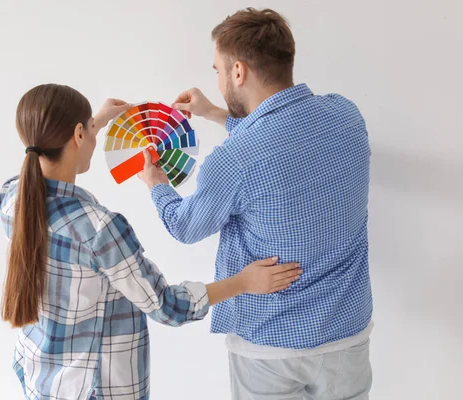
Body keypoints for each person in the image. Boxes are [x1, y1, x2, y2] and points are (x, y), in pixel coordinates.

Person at [0, 83, 302, 400]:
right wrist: (243, 282)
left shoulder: (13, 197)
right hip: (96, 390)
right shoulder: (100, 229)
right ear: (77, 135)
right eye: (89, 129)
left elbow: (54, 165)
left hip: (43, 378)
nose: (94, 132)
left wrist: (95, 122)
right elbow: (167, 306)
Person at [138, 8, 373, 400]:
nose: (216, 78)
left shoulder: (234, 159)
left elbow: (184, 226)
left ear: (238, 72)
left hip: (270, 346)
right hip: (346, 335)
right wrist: (214, 113)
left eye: (217, 69)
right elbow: (285, 133)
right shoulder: (347, 115)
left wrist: (157, 184)